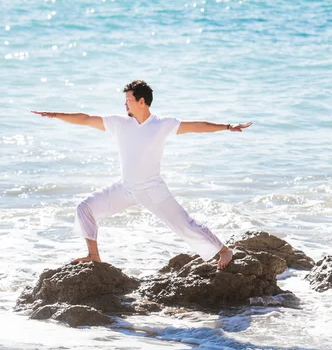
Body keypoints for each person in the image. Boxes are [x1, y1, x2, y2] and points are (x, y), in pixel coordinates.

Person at [32, 80, 252, 269]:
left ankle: (224, 250)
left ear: (141, 101)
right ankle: (94, 257)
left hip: (152, 189)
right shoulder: (119, 123)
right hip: (126, 188)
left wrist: (227, 126)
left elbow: (196, 126)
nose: (125, 103)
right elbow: (86, 119)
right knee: (85, 208)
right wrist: (55, 115)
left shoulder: (161, 124)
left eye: (128, 99)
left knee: (185, 224)